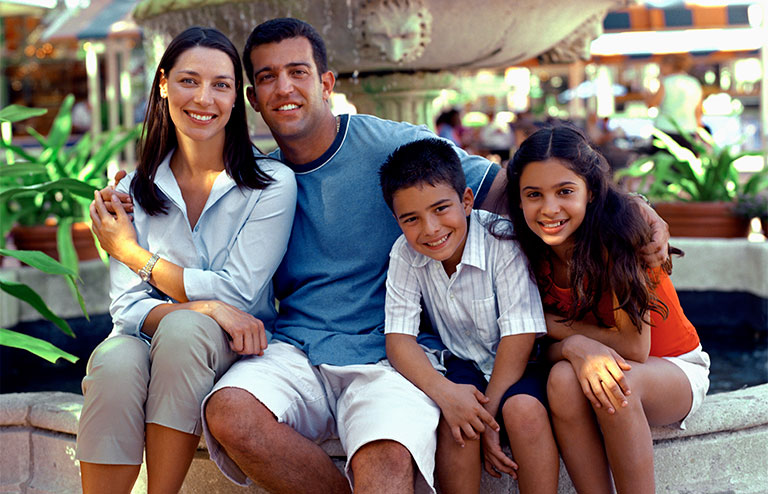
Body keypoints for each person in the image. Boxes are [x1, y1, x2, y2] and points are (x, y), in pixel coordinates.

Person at [104, 18, 670, 494]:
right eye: (268, 78)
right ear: (252, 98)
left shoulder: (390, 145)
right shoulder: (257, 178)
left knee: (387, 463)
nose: (284, 89)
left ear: (326, 82)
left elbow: (506, 187)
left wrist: (627, 208)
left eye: (298, 72)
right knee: (228, 414)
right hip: (296, 349)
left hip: (391, 355)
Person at [77, 26, 296, 494]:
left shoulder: (270, 183)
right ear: (163, 84)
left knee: (185, 329)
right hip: (150, 338)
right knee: (113, 362)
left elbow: (239, 294)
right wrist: (206, 305)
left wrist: (131, 252)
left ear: (237, 97)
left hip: (233, 347)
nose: (205, 98)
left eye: (221, 84)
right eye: (189, 81)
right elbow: (126, 308)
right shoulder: (135, 188)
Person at [504, 125, 710, 494]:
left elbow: (634, 348)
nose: (550, 209)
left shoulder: (619, 237)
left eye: (565, 192)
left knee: (617, 381)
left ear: (591, 192)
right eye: (534, 194)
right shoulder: (527, 252)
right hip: (598, 364)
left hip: (674, 367)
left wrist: (559, 330)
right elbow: (538, 349)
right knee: (562, 381)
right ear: (518, 201)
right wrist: (571, 347)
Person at [378, 137, 558, 494]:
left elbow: (519, 335)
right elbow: (399, 339)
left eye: (441, 209)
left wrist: (489, 417)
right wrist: (445, 393)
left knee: (525, 414)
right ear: (397, 220)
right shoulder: (404, 253)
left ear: (466, 201)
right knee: (455, 421)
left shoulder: (501, 240)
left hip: (524, 363)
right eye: (411, 219)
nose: (430, 229)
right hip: (465, 364)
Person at [645, 53, 703, 152]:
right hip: (689, 131)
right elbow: (698, 111)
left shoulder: (666, 82)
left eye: (661, 66)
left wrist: (647, 90)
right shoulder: (694, 83)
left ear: (668, 66)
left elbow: (651, 104)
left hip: (665, 131)